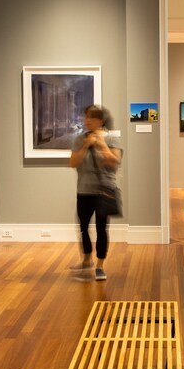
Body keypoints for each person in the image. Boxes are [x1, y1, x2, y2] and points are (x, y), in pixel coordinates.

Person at [69, 105, 122, 281]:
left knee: (101, 229)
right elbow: (73, 163)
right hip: (84, 190)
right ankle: (86, 260)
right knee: (83, 227)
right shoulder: (79, 139)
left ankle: (100, 265)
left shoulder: (111, 139)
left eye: (91, 117)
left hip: (104, 190)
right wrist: (86, 145)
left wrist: (100, 144)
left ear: (101, 121)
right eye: (86, 117)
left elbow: (114, 162)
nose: (87, 120)